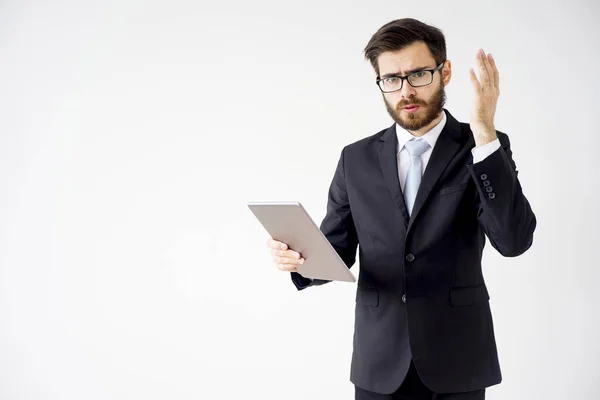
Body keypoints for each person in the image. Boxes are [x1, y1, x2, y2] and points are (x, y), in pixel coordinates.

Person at [266, 18, 536, 400]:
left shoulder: (481, 146)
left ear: (445, 72)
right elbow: (336, 251)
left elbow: (513, 240)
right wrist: (298, 258)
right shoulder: (355, 159)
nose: (405, 91)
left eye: (419, 75)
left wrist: (485, 133)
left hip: (458, 358)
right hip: (379, 361)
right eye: (391, 79)